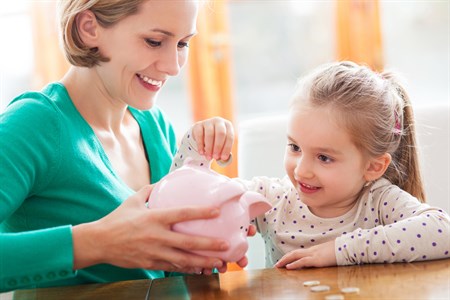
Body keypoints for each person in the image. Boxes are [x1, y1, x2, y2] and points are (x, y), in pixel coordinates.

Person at [0, 0, 249, 293]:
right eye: (154, 41)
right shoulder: (34, 124)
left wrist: (202, 243)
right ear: (89, 28)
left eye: (182, 43)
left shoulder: (155, 126)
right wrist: (99, 243)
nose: (173, 67)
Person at [174, 61, 450, 269]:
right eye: (295, 147)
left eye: (324, 158)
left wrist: (339, 251)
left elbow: (443, 231)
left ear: (373, 167)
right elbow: (181, 212)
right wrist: (194, 149)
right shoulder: (272, 198)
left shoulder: (379, 201)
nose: (301, 170)